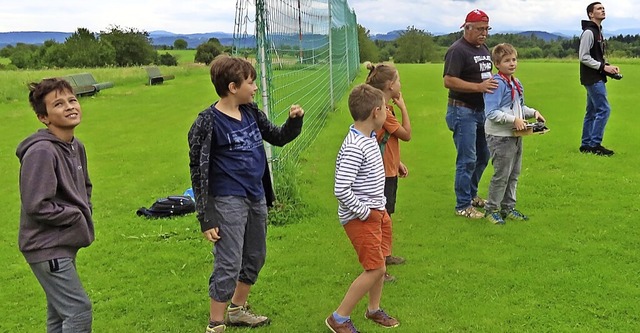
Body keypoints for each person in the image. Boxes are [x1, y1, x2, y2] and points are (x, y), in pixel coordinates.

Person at [188, 55, 304, 333]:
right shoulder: (207, 122)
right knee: (228, 261)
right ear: (232, 87)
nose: (255, 88)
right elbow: (197, 170)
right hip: (228, 200)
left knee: (255, 255)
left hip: (256, 197)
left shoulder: (251, 113)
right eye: (250, 83)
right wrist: (206, 216)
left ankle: (237, 310)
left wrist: (293, 122)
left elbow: (276, 136)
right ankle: (216, 324)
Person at [16, 78, 94, 332]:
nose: (70, 107)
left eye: (72, 100)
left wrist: (84, 210)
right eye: (58, 104)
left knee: (59, 316)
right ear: (43, 117)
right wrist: (74, 216)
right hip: (47, 246)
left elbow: (85, 187)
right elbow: (36, 204)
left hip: (64, 243)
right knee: (78, 312)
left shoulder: (75, 146)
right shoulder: (41, 152)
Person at [326, 84, 400, 333]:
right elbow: (341, 189)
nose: (387, 115)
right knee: (375, 268)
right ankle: (339, 318)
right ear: (376, 112)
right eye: (386, 111)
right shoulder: (355, 146)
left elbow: (368, 172)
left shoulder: (368, 138)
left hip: (377, 212)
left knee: (380, 263)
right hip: (361, 217)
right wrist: (364, 212)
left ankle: (373, 309)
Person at [483, 43, 546, 225]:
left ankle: (508, 207)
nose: (512, 64)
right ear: (497, 63)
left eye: (514, 59)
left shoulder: (515, 83)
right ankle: (491, 209)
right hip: (500, 136)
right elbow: (492, 112)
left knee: (514, 174)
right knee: (501, 174)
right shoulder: (496, 84)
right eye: (506, 60)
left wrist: (533, 113)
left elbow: (517, 107)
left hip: (516, 135)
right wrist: (514, 120)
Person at [443, 9, 498, 219]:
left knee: (483, 155)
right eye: (479, 29)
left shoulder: (483, 48)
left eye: (487, 29)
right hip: (462, 109)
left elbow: (486, 75)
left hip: (481, 111)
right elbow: (448, 80)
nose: (484, 33)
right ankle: (462, 205)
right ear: (467, 28)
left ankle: (472, 194)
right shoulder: (457, 51)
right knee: (467, 159)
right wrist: (479, 88)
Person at [365, 62, 410, 281]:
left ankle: (386, 255)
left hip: (388, 168)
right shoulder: (385, 110)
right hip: (382, 173)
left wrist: (398, 162)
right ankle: (378, 267)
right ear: (391, 85)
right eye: (399, 80)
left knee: (386, 216)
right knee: (381, 218)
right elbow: (406, 134)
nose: (401, 84)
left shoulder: (382, 107)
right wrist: (403, 107)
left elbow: (386, 141)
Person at [578, 1, 619, 156]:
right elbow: (584, 57)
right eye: (599, 9)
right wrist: (603, 68)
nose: (603, 10)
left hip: (596, 76)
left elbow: (596, 57)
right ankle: (595, 145)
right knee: (604, 109)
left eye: (603, 8)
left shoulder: (598, 31)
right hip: (592, 77)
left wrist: (608, 67)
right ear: (590, 14)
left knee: (592, 111)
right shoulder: (589, 32)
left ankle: (586, 144)